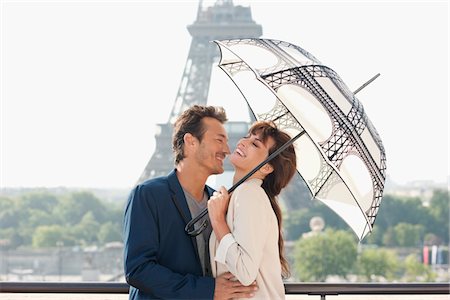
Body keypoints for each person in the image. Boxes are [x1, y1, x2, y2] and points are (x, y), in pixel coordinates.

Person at [123, 105, 258, 299]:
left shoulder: (220, 202)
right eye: (219, 140)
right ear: (191, 141)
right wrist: (207, 289)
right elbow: (138, 269)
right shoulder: (147, 195)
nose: (227, 150)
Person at [208, 121, 297, 300]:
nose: (243, 142)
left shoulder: (249, 193)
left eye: (255, 144)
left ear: (266, 167)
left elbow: (245, 273)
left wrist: (218, 221)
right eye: (247, 137)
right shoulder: (243, 194)